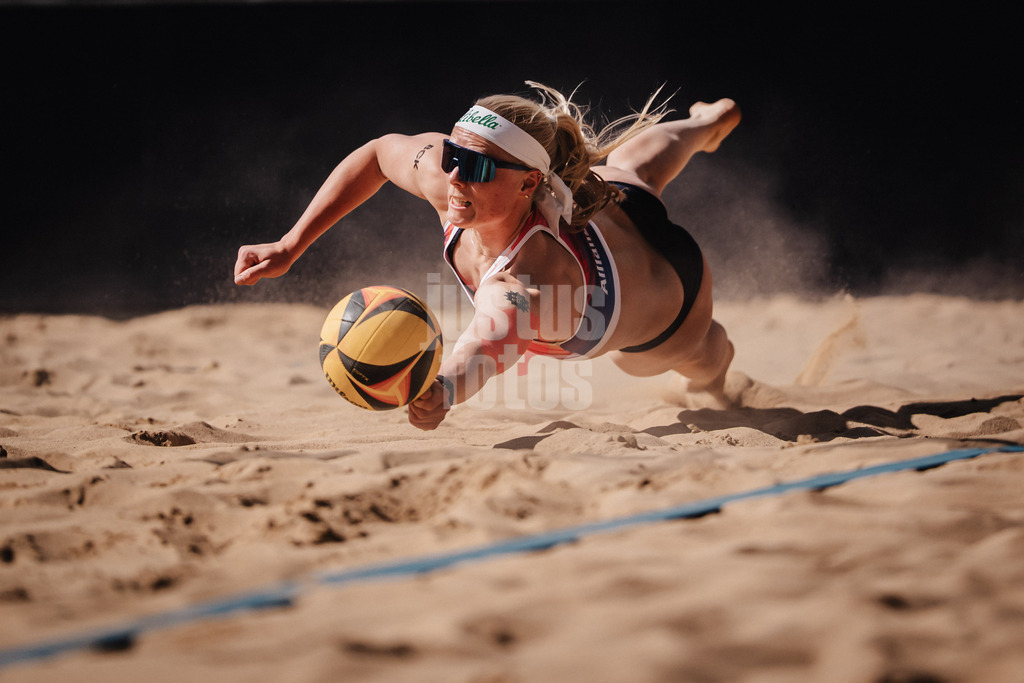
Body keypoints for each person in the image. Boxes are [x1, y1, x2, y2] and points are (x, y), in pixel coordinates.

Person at [234, 82, 741, 431]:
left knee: (699, 361)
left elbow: (491, 340)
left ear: (527, 183)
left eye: (474, 166)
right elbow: (379, 152)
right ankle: (705, 125)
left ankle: (718, 372)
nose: (453, 175)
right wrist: (291, 243)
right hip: (612, 201)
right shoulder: (459, 186)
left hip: (672, 299)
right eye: (453, 154)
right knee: (633, 168)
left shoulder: (531, 277)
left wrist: (447, 389)